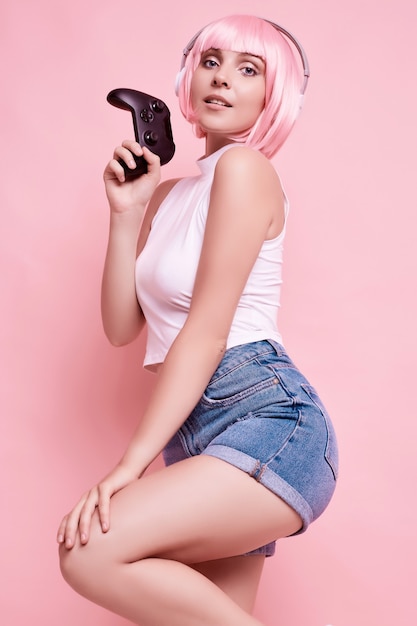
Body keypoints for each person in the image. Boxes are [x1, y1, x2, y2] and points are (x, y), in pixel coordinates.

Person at [57, 14, 338, 626]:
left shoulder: (246, 170)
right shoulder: (167, 193)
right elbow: (121, 327)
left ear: (274, 96)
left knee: (88, 553)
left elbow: (208, 332)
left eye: (248, 69)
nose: (222, 79)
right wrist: (126, 212)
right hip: (194, 431)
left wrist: (128, 466)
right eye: (211, 62)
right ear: (188, 77)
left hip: (266, 417)